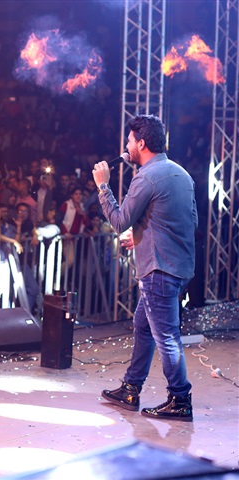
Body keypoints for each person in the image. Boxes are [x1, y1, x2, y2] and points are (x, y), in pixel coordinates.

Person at [93, 114, 198, 422]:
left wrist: (103, 187)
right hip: (178, 267)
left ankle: (180, 398)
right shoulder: (182, 174)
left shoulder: (147, 177)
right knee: (144, 327)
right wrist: (141, 237)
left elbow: (118, 220)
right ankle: (131, 388)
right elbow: (185, 222)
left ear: (140, 143)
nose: (125, 146)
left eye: (128, 140)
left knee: (166, 336)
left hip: (158, 270)